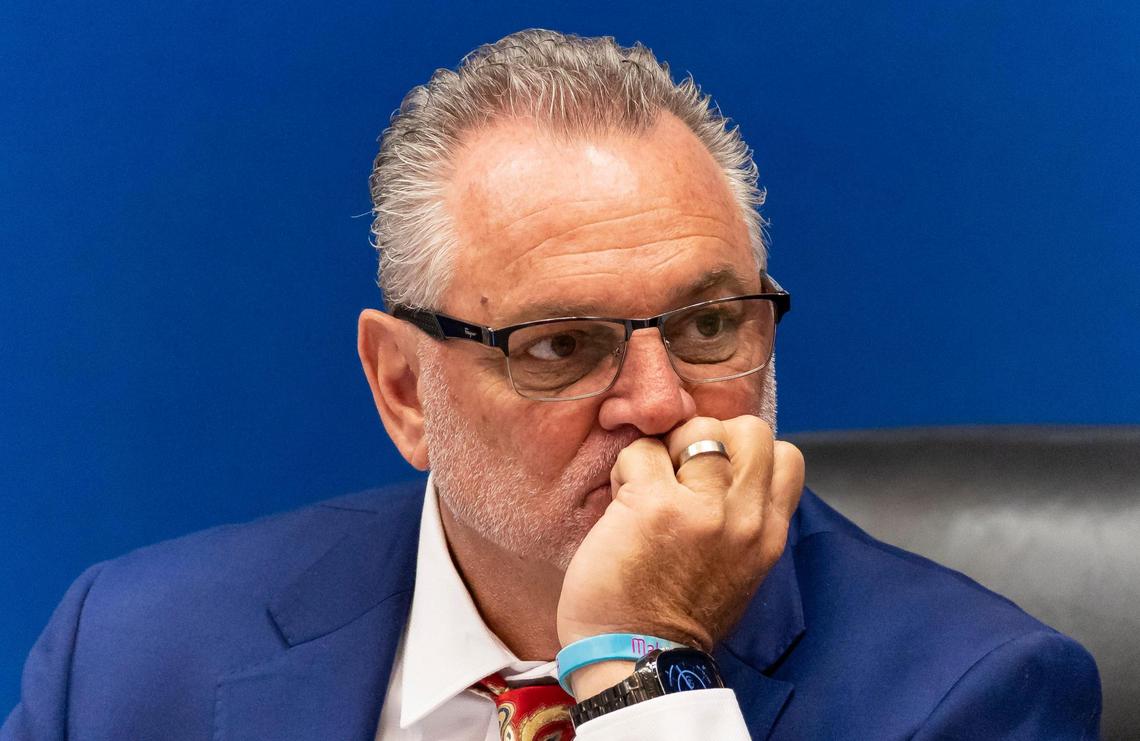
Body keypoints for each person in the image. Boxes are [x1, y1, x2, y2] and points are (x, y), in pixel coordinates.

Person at [3, 29, 1101, 741]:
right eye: (562, 346)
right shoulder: (130, 660)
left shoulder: (971, 696)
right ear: (403, 390)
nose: (660, 403)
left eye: (708, 325)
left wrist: (643, 666)